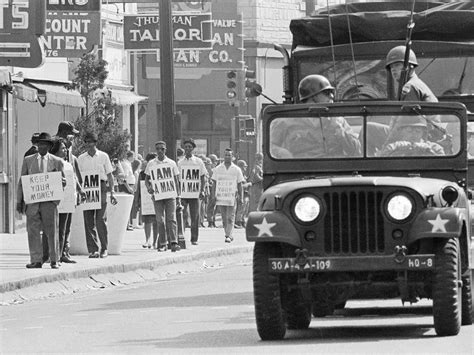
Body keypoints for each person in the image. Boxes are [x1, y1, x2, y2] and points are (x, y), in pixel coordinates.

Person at [272, 74, 361, 158]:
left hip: (335, 168)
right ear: (313, 96)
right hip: (300, 169)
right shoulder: (286, 121)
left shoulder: (338, 121)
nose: (331, 96)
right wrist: (281, 152)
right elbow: (269, 146)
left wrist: (340, 131)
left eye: (331, 92)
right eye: (326, 92)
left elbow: (356, 151)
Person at [16, 132, 65, 269]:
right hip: (32, 202)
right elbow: (22, 181)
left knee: (51, 231)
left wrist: (61, 185)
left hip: (49, 202)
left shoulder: (57, 161)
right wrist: (19, 201)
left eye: (45, 144)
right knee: (33, 231)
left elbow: (62, 182)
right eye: (40, 144)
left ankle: (54, 259)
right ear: (37, 145)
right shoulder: (28, 160)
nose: (42, 146)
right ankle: (36, 260)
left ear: (49, 147)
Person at [77, 132, 117, 259]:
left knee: (100, 219)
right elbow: (77, 176)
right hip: (87, 188)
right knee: (88, 220)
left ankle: (104, 248)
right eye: (86, 142)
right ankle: (93, 249)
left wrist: (112, 192)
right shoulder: (81, 158)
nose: (88, 145)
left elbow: (110, 175)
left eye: (91, 142)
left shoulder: (103, 156)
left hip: (101, 187)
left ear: (95, 143)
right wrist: (79, 191)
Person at [50, 138, 85, 264]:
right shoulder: (52, 163)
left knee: (65, 228)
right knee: (56, 229)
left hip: (69, 200)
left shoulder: (68, 163)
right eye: (62, 149)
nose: (65, 151)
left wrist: (80, 191)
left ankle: (62, 254)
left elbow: (74, 178)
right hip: (56, 201)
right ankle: (54, 256)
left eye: (65, 148)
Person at [144, 141, 181, 252]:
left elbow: (176, 180)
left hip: (170, 195)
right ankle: (163, 243)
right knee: (160, 220)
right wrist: (149, 187)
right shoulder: (151, 163)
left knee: (171, 218)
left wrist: (178, 196)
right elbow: (147, 179)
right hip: (158, 195)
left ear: (165, 150)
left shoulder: (171, 163)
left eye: (162, 149)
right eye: (158, 149)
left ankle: (173, 242)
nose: (160, 151)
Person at [210, 148, 244, 243]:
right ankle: (227, 233)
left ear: (233, 157)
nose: (227, 157)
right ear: (223, 156)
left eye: (229, 155)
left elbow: (240, 184)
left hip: (232, 197)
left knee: (230, 216)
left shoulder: (237, 169)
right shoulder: (218, 169)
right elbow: (214, 183)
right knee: (224, 217)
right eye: (226, 155)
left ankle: (229, 235)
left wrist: (241, 197)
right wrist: (213, 195)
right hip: (221, 197)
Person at [177, 138, 207, 245]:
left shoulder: (198, 162)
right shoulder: (180, 163)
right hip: (183, 193)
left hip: (194, 194)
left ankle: (194, 239)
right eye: (186, 147)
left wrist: (202, 190)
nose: (188, 149)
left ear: (193, 149)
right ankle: (181, 237)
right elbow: (177, 178)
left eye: (190, 147)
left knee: (195, 217)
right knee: (183, 216)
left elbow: (203, 177)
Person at [378, 116, 445, 157]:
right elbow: (380, 163)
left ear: (423, 133)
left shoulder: (435, 148)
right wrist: (398, 147)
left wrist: (428, 150)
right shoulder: (392, 147)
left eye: (417, 131)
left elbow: (443, 164)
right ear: (401, 132)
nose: (413, 134)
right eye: (409, 131)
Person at [136, 153, 158, 248]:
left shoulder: (158, 171)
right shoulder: (142, 173)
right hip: (146, 200)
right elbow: (139, 187)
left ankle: (155, 241)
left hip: (157, 199)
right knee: (147, 220)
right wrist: (138, 200)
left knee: (157, 220)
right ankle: (147, 240)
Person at [235, 159, 251, 228]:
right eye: (244, 167)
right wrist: (248, 184)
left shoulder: (243, 175)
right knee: (240, 209)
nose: (245, 168)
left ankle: (242, 220)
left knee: (245, 209)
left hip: (246, 194)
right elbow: (240, 186)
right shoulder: (238, 175)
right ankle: (238, 222)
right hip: (241, 194)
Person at [206, 154, 219, 227]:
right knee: (211, 206)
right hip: (211, 189)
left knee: (215, 206)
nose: (216, 163)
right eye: (215, 161)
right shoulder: (211, 170)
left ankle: (213, 220)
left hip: (216, 189)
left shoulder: (215, 170)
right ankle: (210, 221)